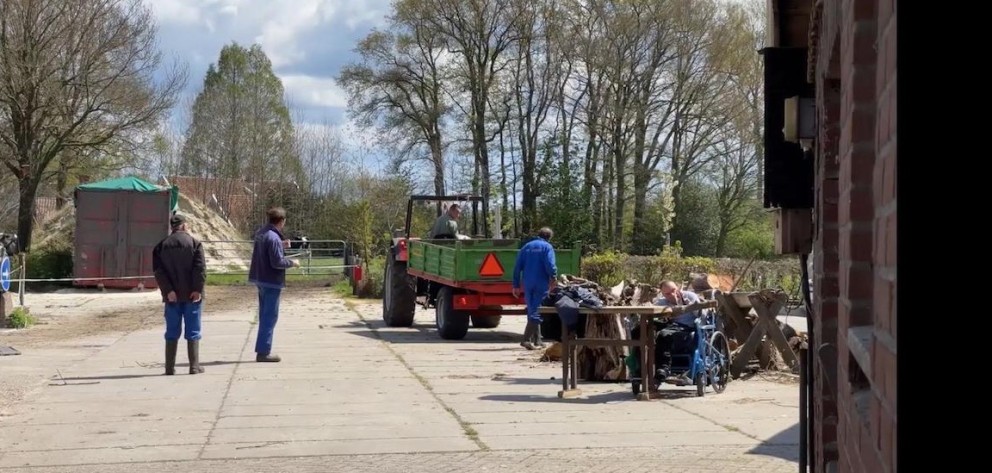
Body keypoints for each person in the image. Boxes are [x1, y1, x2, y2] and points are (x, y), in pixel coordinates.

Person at [152, 213, 207, 375]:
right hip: (192, 295)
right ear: (183, 226)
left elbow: (158, 272)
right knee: (193, 330)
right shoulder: (195, 244)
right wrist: (197, 289)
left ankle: (169, 368)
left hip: (172, 297)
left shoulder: (161, 246)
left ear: (172, 227)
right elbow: (200, 269)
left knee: (171, 331)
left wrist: (168, 290)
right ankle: (194, 366)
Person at [248, 207, 300, 363]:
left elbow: (266, 250)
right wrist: (292, 262)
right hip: (271, 281)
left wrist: (281, 246)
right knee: (269, 317)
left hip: (260, 278)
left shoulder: (261, 233)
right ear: (282, 221)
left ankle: (262, 349)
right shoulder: (273, 237)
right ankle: (264, 351)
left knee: (264, 315)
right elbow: (277, 262)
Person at [512, 227, 557, 350]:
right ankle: (525, 339)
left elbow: (517, 267)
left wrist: (516, 285)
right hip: (540, 282)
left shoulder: (526, 247)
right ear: (549, 237)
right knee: (538, 310)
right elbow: (550, 264)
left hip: (528, 282)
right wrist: (553, 277)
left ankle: (538, 340)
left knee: (532, 309)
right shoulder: (547, 247)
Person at [652, 280, 704, 378]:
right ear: (663, 294)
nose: (672, 294)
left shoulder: (690, 296)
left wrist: (690, 306)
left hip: (687, 329)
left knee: (664, 334)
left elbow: (700, 315)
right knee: (641, 330)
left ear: (678, 287)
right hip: (671, 326)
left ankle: (664, 368)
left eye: (673, 290)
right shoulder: (662, 301)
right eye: (667, 293)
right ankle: (640, 370)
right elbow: (655, 314)